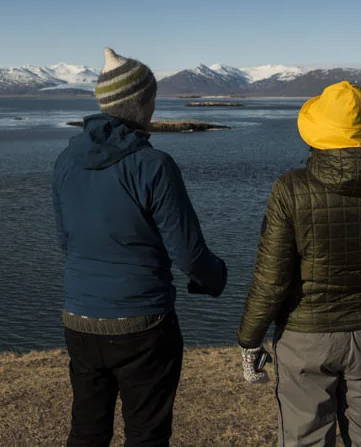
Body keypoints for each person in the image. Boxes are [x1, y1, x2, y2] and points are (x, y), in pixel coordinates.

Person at [237, 81, 361, 447]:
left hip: (304, 336)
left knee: (305, 437)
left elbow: (272, 281)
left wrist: (249, 338)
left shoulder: (290, 189)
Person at [53, 47, 228, 447]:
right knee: (147, 434)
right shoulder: (154, 165)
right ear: (138, 103)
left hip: (79, 319)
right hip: (143, 325)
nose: (155, 105)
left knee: (86, 430)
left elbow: (65, 239)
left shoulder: (66, 160)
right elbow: (189, 255)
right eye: (152, 97)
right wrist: (216, 278)